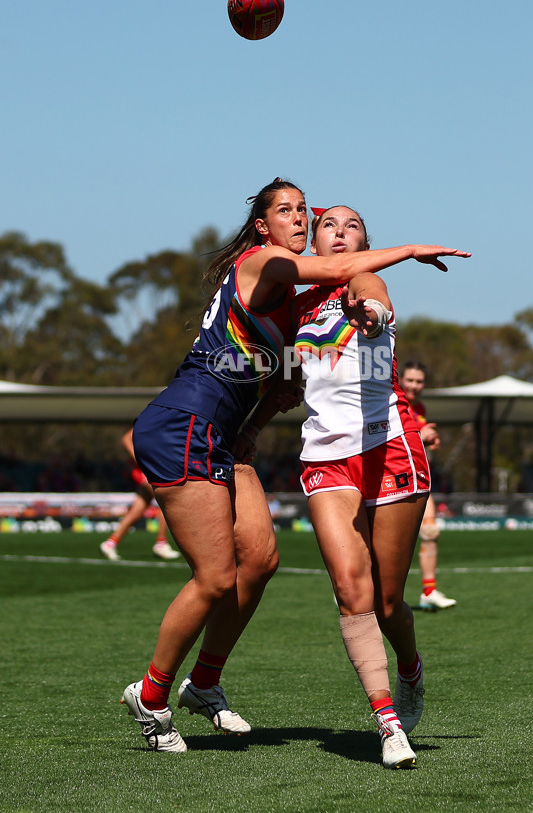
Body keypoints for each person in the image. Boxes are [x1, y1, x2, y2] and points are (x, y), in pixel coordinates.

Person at [121, 178, 470, 753]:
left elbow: (310, 346)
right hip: (189, 422)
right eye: (290, 211)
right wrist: (408, 250)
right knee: (216, 577)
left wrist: (371, 314)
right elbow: (339, 276)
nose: (305, 219)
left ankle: (203, 683)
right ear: (263, 226)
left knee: (259, 560)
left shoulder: (294, 304)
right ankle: (152, 697)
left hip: (238, 437)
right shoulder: (267, 263)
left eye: (308, 210)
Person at [236, 205, 470, 768]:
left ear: (365, 240)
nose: (339, 233)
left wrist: (370, 314)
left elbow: (370, 295)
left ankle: (410, 668)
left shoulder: (367, 280)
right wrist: (249, 431)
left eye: (352, 226)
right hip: (325, 460)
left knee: (390, 603)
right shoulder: (290, 305)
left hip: (389, 448)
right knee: (350, 590)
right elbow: (289, 383)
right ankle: (388, 724)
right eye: (328, 226)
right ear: (312, 242)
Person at [398, 361, 456, 611]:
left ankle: (429, 591)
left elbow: (417, 438)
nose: (414, 385)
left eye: (419, 381)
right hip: (390, 477)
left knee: (430, 531)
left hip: (417, 476)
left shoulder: (419, 408)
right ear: (399, 379)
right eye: (410, 380)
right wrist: (421, 436)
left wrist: (429, 440)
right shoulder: (391, 400)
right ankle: (354, 587)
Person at [100, 428, 180, 561]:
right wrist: (140, 459)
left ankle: (110, 543)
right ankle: (161, 543)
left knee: (136, 512)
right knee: (167, 502)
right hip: (146, 471)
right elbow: (126, 438)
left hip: (152, 469)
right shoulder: (153, 417)